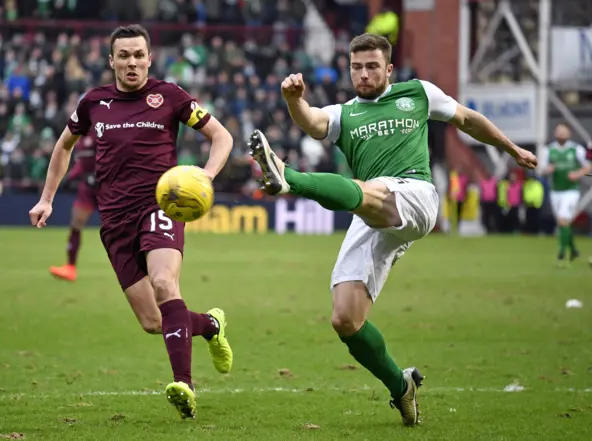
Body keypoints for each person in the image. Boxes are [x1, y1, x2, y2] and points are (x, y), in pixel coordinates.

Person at [248, 33, 537, 426]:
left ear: (388, 69)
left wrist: (511, 149)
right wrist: (293, 100)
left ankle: (290, 178)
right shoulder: (344, 113)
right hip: (369, 208)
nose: (363, 74)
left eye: (371, 66)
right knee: (345, 319)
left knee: (371, 191)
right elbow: (312, 121)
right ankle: (401, 387)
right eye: (356, 67)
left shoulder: (417, 93)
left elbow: (468, 119)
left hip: (415, 194)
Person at [28, 24, 234, 420]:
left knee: (163, 283)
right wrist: (46, 198)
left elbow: (221, 136)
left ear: (149, 58)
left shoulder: (169, 96)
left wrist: (206, 175)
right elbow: (63, 146)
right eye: (123, 55)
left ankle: (184, 386)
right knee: (152, 321)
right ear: (111, 61)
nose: (132, 62)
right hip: (115, 220)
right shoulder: (94, 102)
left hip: (161, 206)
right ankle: (210, 325)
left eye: (139, 54)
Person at [538, 124, 591, 266]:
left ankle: (561, 254)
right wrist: (547, 170)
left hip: (571, 190)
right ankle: (573, 249)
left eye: (564, 131)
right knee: (563, 223)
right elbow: (541, 170)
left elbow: (588, 167)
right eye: (558, 131)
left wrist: (578, 173)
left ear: (569, 133)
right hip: (555, 190)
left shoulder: (576, 149)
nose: (561, 133)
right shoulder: (549, 150)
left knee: (562, 220)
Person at [49, 130, 97, 282]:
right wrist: (69, 178)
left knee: (119, 228)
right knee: (76, 223)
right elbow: (81, 164)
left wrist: (98, 174)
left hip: (107, 185)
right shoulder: (81, 138)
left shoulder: (102, 129)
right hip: (88, 188)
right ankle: (70, 267)